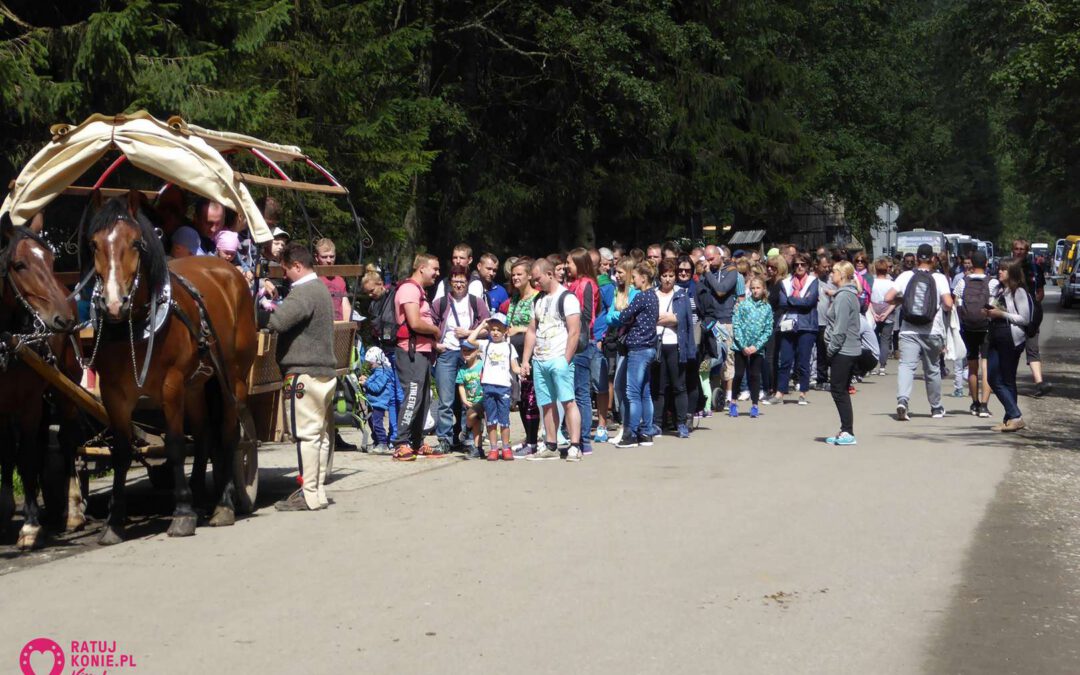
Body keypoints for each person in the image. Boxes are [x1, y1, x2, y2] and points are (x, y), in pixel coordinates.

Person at [266, 244, 337, 512]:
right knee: (319, 436)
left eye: (286, 270)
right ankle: (316, 491)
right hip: (323, 373)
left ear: (297, 266)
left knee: (307, 436)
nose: (285, 276)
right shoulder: (320, 289)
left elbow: (278, 322)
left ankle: (307, 495)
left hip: (304, 374)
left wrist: (260, 313)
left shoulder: (304, 292)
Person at [522, 258, 584, 461]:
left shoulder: (567, 298)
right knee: (546, 404)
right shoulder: (538, 300)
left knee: (568, 401)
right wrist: (525, 360)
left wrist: (565, 360)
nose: (535, 283)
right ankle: (550, 444)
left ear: (549, 274)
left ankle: (575, 445)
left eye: (537, 278)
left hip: (559, 358)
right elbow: (532, 331)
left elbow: (574, 331)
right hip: (540, 359)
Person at [884, 243, 954, 421]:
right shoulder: (939, 278)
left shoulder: (905, 276)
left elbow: (887, 298)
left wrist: (904, 301)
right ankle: (936, 407)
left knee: (906, 366)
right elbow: (948, 303)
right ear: (932, 259)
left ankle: (903, 401)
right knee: (932, 369)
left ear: (916, 259)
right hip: (932, 330)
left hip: (908, 330)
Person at [431, 265, 489, 455]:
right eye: (455, 281)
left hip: (469, 354)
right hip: (447, 353)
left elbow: (488, 328)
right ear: (450, 282)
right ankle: (445, 439)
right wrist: (435, 344)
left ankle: (468, 437)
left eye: (462, 281)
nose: (458, 284)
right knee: (446, 400)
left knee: (470, 398)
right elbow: (429, 326)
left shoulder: (476, 302)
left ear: (468, 282)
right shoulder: (440, 303)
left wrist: (469, 333)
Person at [391, 253, 442, 461]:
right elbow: (414, 322)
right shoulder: (409, 289)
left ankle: (417, 441)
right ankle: (401, 443)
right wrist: (435, 331)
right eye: (435, 269)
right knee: (412, 395)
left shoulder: (419, 290)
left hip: (422, 351)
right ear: (421, 268)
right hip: (409, 351)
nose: (437, 274)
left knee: (424, 397)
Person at [614, 262, 660, 448]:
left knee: (632, 392)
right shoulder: (654, 297)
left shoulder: (642, 297)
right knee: (644, 391)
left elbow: (624, 315)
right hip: (649, 347)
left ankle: (631, 433)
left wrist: (622, 312)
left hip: (638, 348)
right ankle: (646, 431)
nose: (632, 281)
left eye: (634, 277)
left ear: (644, 278)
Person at [463, 314, 520, 460]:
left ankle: (506, 448)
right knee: (491, 420)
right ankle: (494, 449)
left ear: (505, 330)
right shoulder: (486, 345)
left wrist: (523, 370)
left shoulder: (509, 347)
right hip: (488, 387)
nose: (495, 332)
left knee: (504, 420)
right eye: (492, 329)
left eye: (499, 329)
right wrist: (482, 325)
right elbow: (470, 340)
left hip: (504, 387)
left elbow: (514, 367)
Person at [985, 258, 1032, 432]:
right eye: (999, 269)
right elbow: (996, 310)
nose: (1000, 272)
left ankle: (1013, 416)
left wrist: (1001, 314)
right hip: (996, 335)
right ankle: (1012, 417)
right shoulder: (998, 290)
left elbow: (1024, 319)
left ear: (1011, 272)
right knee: (995, 377)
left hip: (1010, 337)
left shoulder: (1017, 292)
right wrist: (989, 313)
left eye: (1004, 270)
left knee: (1002, 379)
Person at [652, 259, 695, 437]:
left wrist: (672, 319)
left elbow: (685, 320)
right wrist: (670, 318)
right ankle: (657, 423)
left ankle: (681, 423)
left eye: (671, 275)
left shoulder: (682, 295)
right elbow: (651, 318)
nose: (668, 279)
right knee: (659, 387)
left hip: (676, 345)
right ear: (659, 276)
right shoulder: (652, 294)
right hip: (658, 345)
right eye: (665, 276)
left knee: (679, 386)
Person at [502, 258, 541, 456]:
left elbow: (542, 326)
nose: (515, 277)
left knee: (532, 399)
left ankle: (534, 441)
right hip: (515, 356)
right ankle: (529, 439)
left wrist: (521, 328)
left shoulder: (537, 298)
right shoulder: (515, 299)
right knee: (523, 399)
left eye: (519, 274)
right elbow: (509, 325)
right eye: (513, 274)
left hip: (533, 355)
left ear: (529, 276)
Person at [824, 261, 863, 445]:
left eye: (834, 272)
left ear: (842, 274)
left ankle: (848, 431)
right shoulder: (847, 295)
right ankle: (846, 430)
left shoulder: (843, 297)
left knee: (838, 390)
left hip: (844, 350)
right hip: (848, 349)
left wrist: (831, 350)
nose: (831, 275)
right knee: (841, 390)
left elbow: (840, 328)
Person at [566, 248, 600, 454]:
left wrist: (575, 329)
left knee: (581, 392)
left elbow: (588, 314)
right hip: (574, 339)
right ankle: (575, 435)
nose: (567, 266)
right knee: (575, 391)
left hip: (581, 342)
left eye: (570, 262)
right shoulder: (573, 284)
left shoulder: (587, 284)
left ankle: (584, 439)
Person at [774, 253, 819, 405]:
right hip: (788, 324)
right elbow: (782, 303)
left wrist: (792, 300)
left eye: (803, 264)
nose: (799, 267)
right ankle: (780, 393)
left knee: (803, 361)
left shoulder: (813, 281)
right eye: (797, 264)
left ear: (808, 266)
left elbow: (810, 302)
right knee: (785, 360)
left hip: (807, 326)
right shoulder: (785, 282)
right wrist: (800, 301)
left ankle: (803, 393)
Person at [953, 251, 993, 418]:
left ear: (971, 264)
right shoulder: (992, 282)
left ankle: (975, 402)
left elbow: (955, 301)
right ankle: (984, 405)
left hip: (968, 327)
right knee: (986, 366)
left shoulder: (963, 281)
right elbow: (995, 303)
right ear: (986, 264)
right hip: (986, 327)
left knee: (972, 367)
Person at [1011, 239, 1051, 396]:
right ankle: (1008, 382)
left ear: (1027, 251)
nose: (1019, 251)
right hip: (1011, 316)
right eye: (1016, 249)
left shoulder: (1035, 269)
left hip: (1031, 317)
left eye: (1022, 249)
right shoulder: (1006, 267)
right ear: (1012, 250)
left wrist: (1033, 305)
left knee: (1033, 350)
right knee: (1011, 351)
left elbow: (1040, 291)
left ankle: (1039, 383)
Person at [606, 257, 640, 444]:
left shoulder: (635, 294)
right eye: (615, 272)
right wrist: (621, 315)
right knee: (620, 386)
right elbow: (610, 317)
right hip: (620, 343)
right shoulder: (616, 294)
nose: (616, 276)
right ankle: (625, 425)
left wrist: (620, 316)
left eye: (620, 272)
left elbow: (630, 317)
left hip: (632, 345)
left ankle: (631, 427)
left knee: (628, 387)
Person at [730, 277, 772, 418]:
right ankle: (733, 402)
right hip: (741, 347)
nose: (755, 291)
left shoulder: (767, 307)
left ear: (763, 289)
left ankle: (754, 405)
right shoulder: (743, 305)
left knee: (755, 375)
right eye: (753, 288)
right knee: (739, 374)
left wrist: (756, 346)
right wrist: (743, 345)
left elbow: (768, 329)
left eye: (758, 288)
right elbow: (737, 325)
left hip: (757, 348)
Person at [360, 347, 402, 455]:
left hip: (379, 403)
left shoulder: (383, 373)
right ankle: (376, 441)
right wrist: (367, 379)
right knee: (371, 423)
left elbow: (377, 387)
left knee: (377, 423)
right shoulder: (377, 371)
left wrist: (366, 383)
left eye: (371, 363)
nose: (369, 366)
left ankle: (383, 443)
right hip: (373, 402)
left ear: (378, 361)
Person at [761, 255, 787, 402]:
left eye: (773, 267)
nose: (769, 269)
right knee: (767, 357)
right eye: (768, 266)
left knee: (772, 357)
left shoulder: (782, 284)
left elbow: (782, 306)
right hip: (766, 322)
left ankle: (774, 388)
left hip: (777, 323)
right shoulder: (768, 283)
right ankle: (770, 386)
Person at [456, 342, 486, 453]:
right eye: (464, 350)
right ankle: (478, 449)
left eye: (470, 350)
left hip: (482, 399)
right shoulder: (462, 370)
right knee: (476, 424)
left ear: (477, 351)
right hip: (470, 401)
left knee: (471, 415)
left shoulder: (482, 365)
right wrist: (464, 400)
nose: (467, 353)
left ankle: (466, 430)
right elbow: (461, 386)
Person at [314, 238, 352, 322]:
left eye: (331, 256)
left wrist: (346, 326)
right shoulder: (312, 278)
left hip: (339, 327)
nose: (329, 260)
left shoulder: (340, 280)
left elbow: (345, 306)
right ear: (316, 257)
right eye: (324, 257)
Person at [870, 257, 896, 376]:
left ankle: (872, 366)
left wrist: (873, 313)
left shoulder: (872, 282)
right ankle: (882, 367)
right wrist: (886, 313)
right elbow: (895, 300)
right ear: (887, 269)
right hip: (888, 313)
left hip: (873, 313)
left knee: (873, 340)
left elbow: (868, 300)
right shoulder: (892, 284)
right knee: (885, 340)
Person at [813, 254, 836, 391]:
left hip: (825, 322)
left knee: (823, 353)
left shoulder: (831, 281)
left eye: (829, 266)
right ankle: (800, 378)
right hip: (811, 321)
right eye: (824, 266)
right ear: (817, 266)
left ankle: (822, 379)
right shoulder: (811, 280)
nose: (827, 269)